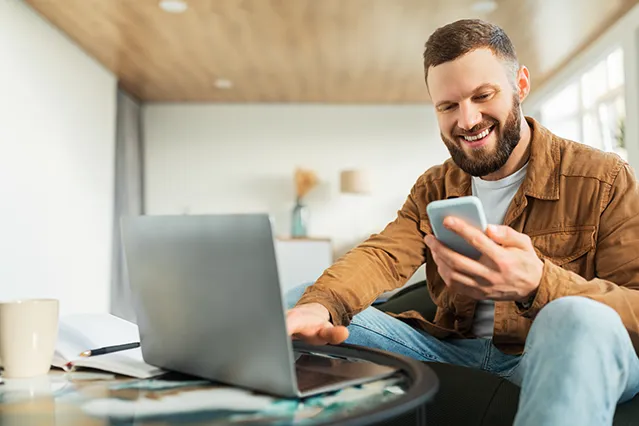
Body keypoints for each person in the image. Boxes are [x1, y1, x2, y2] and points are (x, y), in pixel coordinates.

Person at [285, 18, 639, 426]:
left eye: (482, 95)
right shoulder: (436, 185)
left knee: (573, 317)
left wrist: (539, 284)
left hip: (548, 351)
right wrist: (321, 305)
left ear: (520, 85)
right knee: (303, 302)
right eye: (448, 106)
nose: (467, 120)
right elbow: (382, 255)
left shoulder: (604, 178)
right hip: (457, 351)